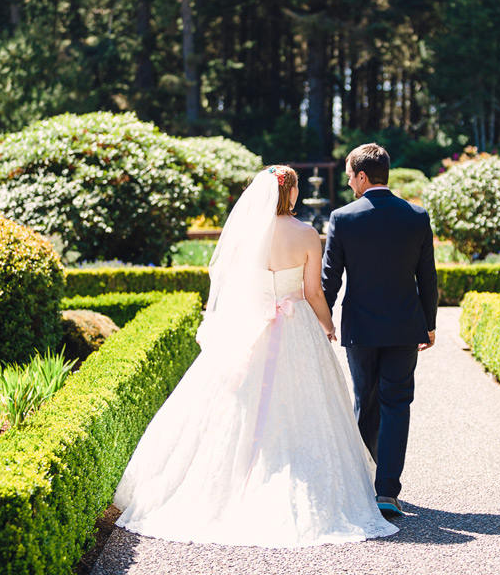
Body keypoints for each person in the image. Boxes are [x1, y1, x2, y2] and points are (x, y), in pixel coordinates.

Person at [113, 165, 398, 548]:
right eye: (295, 188)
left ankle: (239, 478)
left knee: (238, 406)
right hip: (297, 329)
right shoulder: (306, 233)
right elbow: (313, 292)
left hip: (253, 328)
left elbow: (236, 285)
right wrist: (328, 326)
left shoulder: (249, 233)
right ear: (291, 192)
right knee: (304, 407)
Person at [322, 143, 438, 516]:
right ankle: (387, 491)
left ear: (362, 176)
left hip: (361, 328)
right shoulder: (417, 217)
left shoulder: (343, 218)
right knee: (397, 404)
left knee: (365, 401)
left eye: (349, 176)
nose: (348, 183)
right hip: (405, 326)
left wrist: (321, 321)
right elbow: (428, 279)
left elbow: (330, 280)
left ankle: (360, 484)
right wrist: (430, 324)